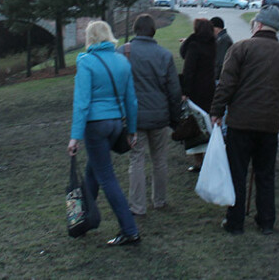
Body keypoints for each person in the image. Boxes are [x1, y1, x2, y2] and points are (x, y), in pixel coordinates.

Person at [210, 5, 279, 235]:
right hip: (269, 125)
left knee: (238, 174)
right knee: (266, 175)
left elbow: (226, 84)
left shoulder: (241, 48)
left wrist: (216, 111)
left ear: (257, 24)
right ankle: (266, 222)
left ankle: (235, 222)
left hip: (241, 124)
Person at [67, 21, 140, 246]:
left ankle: (130, 230)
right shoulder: (122, 61)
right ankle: (83, 220)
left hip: (95, 126)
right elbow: (132, 100)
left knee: (106, 177)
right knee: (93, 171)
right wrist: (132, 130)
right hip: (116, 124)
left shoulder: (86, 62)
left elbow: (81, 103)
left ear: (90, 38)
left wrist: (75, 136)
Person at [118, 14, 181, 216]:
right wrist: (175, 118)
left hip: (134, 117)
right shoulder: (164, 55)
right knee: (159, 159)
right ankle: (160, 200)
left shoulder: (123, 52)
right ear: (153, 31)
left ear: (136, 29)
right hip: (159, 115)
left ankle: (137, 205)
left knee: (136, 159)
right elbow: (174, 91)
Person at [180, 18, 216, 173]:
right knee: (207, 125)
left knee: (195, 126)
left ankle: (199, 161)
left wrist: (185, 91)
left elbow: (189, 71)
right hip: (209, 89)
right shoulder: (213, 45)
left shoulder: (193, 45)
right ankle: (210, 159)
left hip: (195, 90)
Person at [211, 16, 233, 81]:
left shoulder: (223, 40)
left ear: (216, 28)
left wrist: (215, 77)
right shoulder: (221, 38)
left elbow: (220, 61)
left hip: (219, 77)